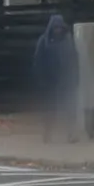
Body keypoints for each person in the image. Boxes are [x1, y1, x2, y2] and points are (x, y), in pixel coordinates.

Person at [33, 15, 78, 143]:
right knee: (50, 110)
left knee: (70, 108)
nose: (58, 30)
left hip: (66, 81)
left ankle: (71, 134)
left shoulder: (68, 41)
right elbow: (38, 62)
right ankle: (47, 133)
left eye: (59, 27)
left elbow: (74, 60)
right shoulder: (44, 42)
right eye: (55, 28)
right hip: (50, 82)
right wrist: (41, 79)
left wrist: (75, 78)